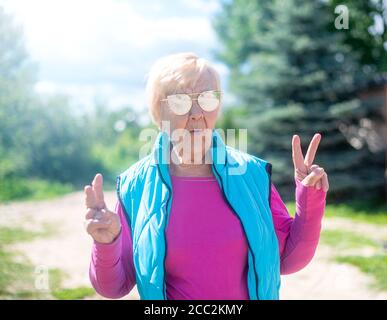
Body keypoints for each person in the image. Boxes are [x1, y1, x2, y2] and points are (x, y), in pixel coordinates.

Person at [84, 52, 329, 300]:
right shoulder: (135, 186)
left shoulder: (253, 174)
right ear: (159, 112)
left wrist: (310, 198)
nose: (196, 113)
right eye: (180, 101)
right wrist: (106, 243)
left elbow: (289, 260)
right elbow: (114, 287)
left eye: (207, 99)